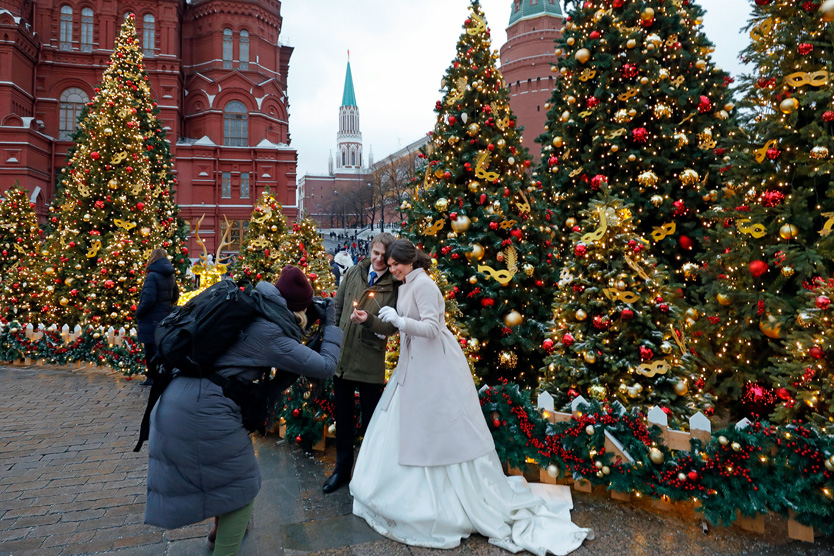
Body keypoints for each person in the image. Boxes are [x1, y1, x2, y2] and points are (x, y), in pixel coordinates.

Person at [350, 239, 593, 555]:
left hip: (433, 365)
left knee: (434, 426)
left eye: (397, 263)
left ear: (410, 260)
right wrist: (392, 322)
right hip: (415, 364)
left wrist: (400, 321)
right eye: (391, 264)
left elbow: (432, 329)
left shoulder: (423, 285)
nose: (392, 268)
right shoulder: (407, 283)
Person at [145, 265, 343, 556]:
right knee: (242, 487)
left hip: (178, 398)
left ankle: (218, 535)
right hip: (201, 413)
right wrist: (332, 325)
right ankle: (224, 549)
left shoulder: (253, 306)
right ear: (296, 310)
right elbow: (326, 367)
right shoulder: (271, 332)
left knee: (225, 480)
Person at [322, 233, 399, 494]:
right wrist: (333, 338)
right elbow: (338, 304)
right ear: (370, 250)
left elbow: (391, 327)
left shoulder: (394, 285)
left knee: (370, 424)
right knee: (343, 421)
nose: (378, 259)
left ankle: (368, 475)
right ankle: (342, 470)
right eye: (375, 253)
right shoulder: (355, 271)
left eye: (383, 256)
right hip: (343, 358)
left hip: (369, 362)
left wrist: (368, 320)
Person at [136, 248, 179, 387]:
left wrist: (139, 312)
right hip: (164, 315)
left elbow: (148, 299)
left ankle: (152, 377)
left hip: (151, 317)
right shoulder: (170, 275)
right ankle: (164, 376)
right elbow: (175, 296)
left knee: (150, 348)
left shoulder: (152, 276)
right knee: (160, 348)